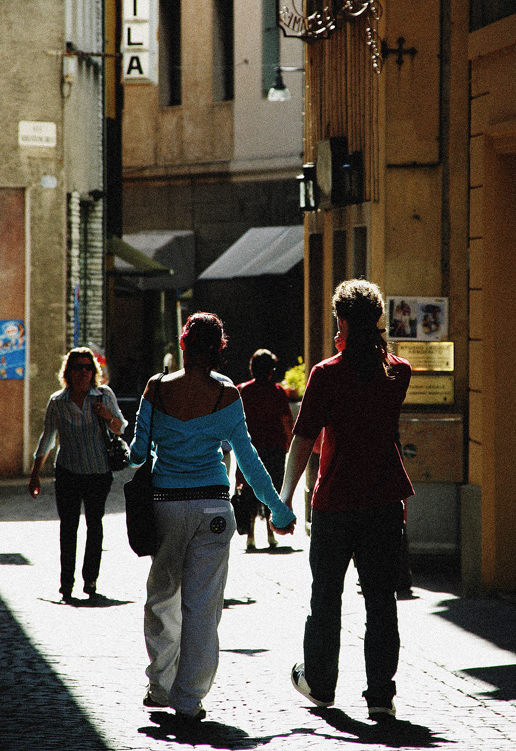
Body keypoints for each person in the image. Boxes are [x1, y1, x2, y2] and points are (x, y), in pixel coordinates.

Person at [128, 312, 295, 730]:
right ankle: (189, 699)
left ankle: (160, 686)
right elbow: (250, 462)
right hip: (214, 510)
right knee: (203, 607)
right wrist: (278, 510)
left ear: (183, 344)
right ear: (220, 350)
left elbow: (137, 454)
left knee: (163, 597)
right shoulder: (227, 396)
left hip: (166, 505)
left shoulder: (155, 388)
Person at [273, 279, 413, 720]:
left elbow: (303, 439)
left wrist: (284, 499)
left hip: (335, 501)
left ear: (344, 322)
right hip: (385, 499)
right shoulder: (399, 371)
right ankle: (381, 695)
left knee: (326, 597)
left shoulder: (326, 373)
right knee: (381, 601)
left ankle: (319, 682)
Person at [28, 347, 127, 602]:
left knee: (94, 526)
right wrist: (35, 473)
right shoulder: (57, 402)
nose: (83, 372)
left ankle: (90, 579)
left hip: (98, 472)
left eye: (88, 367)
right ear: (68, 372)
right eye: (78, 367)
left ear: (93, 371)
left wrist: (106, 415)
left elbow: (120, 428)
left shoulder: (103, 396)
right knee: (68, 528)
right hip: (68, 472)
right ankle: (66, 583)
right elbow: (48, 438)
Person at [237, 349, 293, 550]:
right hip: (274, 448)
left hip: (249, 448)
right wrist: (290, 443)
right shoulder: (277, 392)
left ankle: (250, 535)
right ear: (271, 370)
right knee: (272, 488)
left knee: (250, 489)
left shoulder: (242, 391)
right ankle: (271, 533)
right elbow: (286, 421)